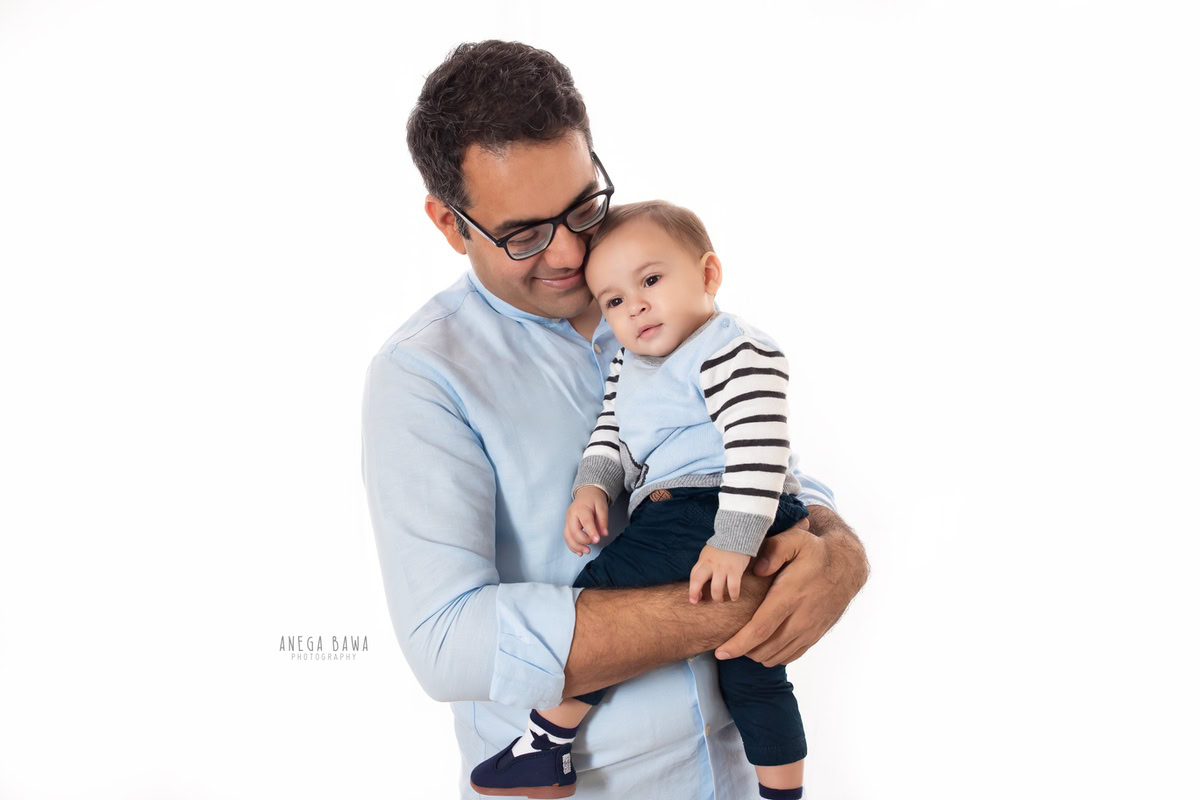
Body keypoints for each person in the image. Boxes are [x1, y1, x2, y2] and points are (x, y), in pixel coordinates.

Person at [361, 40, 869, 799]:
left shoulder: (650, 287)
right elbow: (448, 644)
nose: (570, 252)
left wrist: (836, 543)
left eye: (581, 207)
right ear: (449, 223)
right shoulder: (422, 377)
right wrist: (745, 590)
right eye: (525, 234)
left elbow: (744, 443)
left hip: (735, 774)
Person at [467, 201, 814, 800]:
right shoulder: (632, 362)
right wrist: (592, 486)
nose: (636, 307)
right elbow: (612, 432)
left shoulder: (732, 348)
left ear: (708, 275)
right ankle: (781, 793)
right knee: (750, 666)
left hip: (720, 502)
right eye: (614, 301)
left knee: (601, 594)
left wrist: (732, 543)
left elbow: (761, 447)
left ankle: (546, 747)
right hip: (683, 508)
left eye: (651, 281)